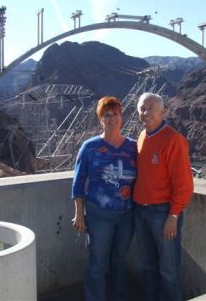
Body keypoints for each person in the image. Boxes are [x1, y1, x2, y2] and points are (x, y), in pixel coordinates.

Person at [71, 96, 137, 301]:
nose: (111, 119)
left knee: (119, 260)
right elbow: (78, 181)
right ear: (100, 120)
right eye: (106, 115)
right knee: (98, 263)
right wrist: (79, 214)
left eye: (115, 114)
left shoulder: (133, 147)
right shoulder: (89, 147)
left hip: (127, 214)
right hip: (99, 214)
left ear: (121, 117)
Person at [134, 92, 194, 301]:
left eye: (151, 108)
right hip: (140, 211)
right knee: (149, 267)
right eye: (142, 108)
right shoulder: (142, 137)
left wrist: (174, 215)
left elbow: (185, 185)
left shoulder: (173, 140)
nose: (146, 112)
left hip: (163, 213)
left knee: (168, 270)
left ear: (163, 111)